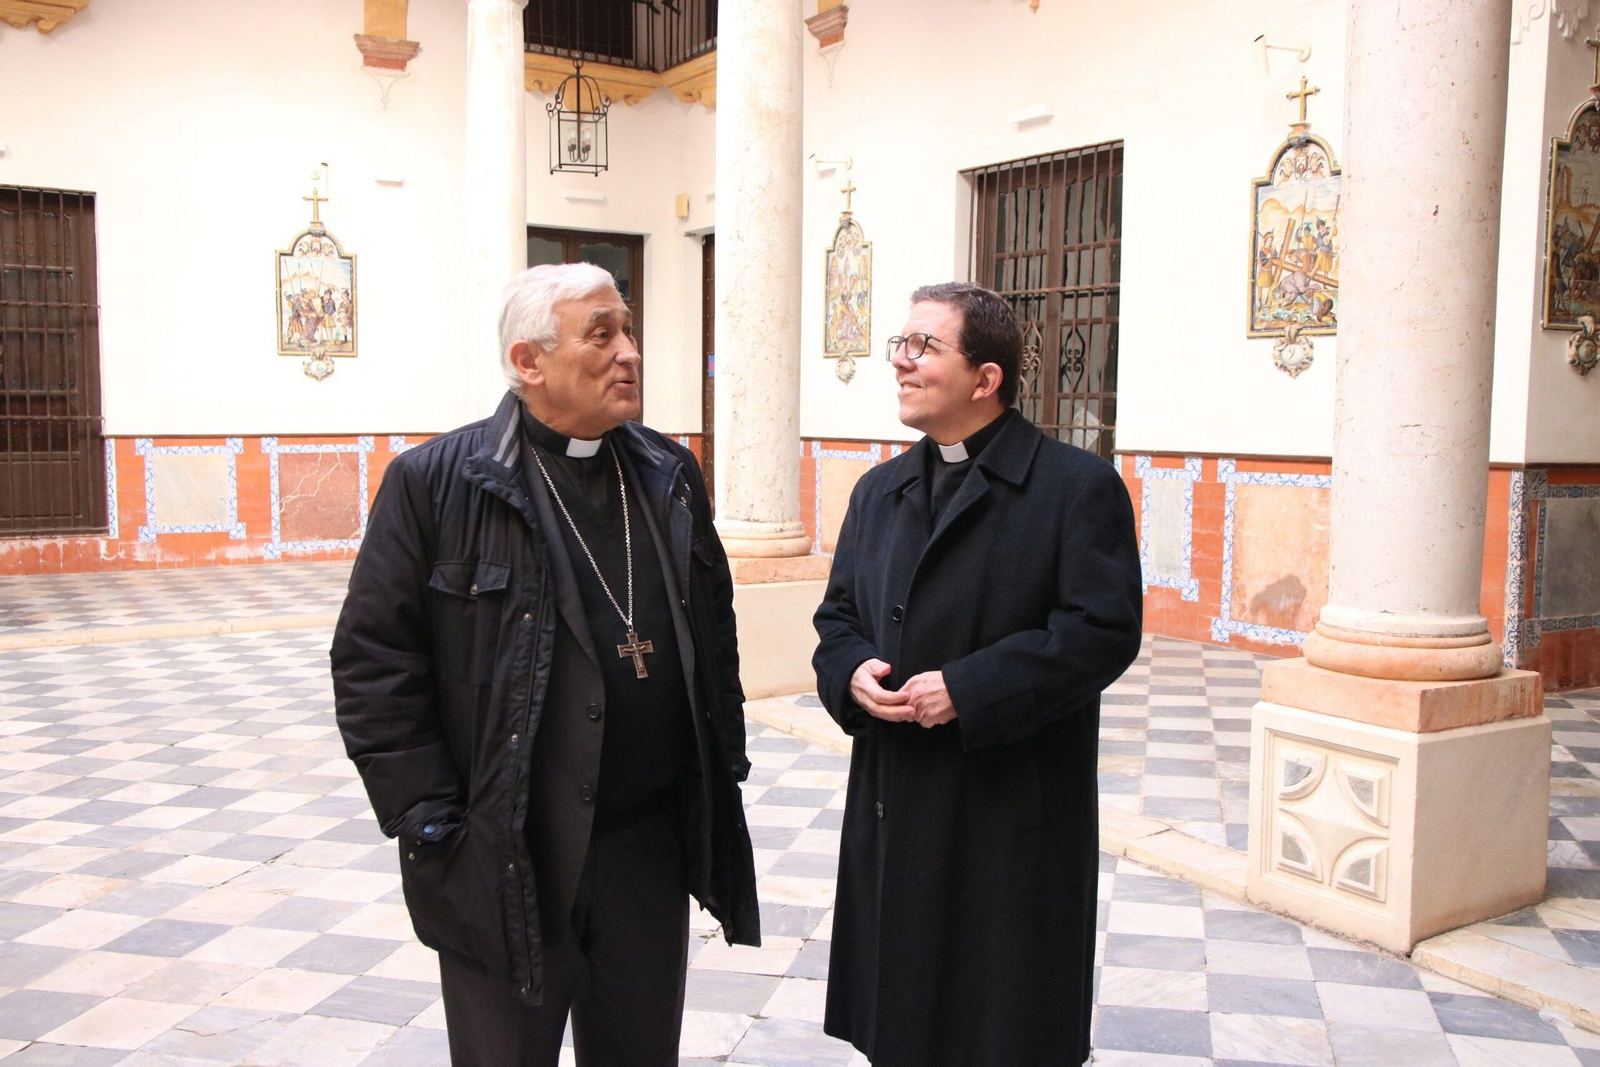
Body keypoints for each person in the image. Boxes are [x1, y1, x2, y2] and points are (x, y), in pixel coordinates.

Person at [331, 262, 759, 1066]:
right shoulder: (436, 484)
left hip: (645, 850)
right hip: (507, 855)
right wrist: (431, 821)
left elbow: (714, 628)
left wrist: (722, 760)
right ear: (529, 360)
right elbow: (372, 665)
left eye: (628, 329)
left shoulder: (669, 473)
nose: (628, 351)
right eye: (602, 333)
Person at [812, 281, 1143, 1066]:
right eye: (901, 342)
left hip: (1008, 805)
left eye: (924, 346)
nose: (901, 360)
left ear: (986, 378)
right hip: (897, 797)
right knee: (905, 1019)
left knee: (999, 1019)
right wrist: (852, 670)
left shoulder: (1074, 487)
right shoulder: (878, 490)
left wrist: (970, 686)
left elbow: (1103, 630)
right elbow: (837, 619)